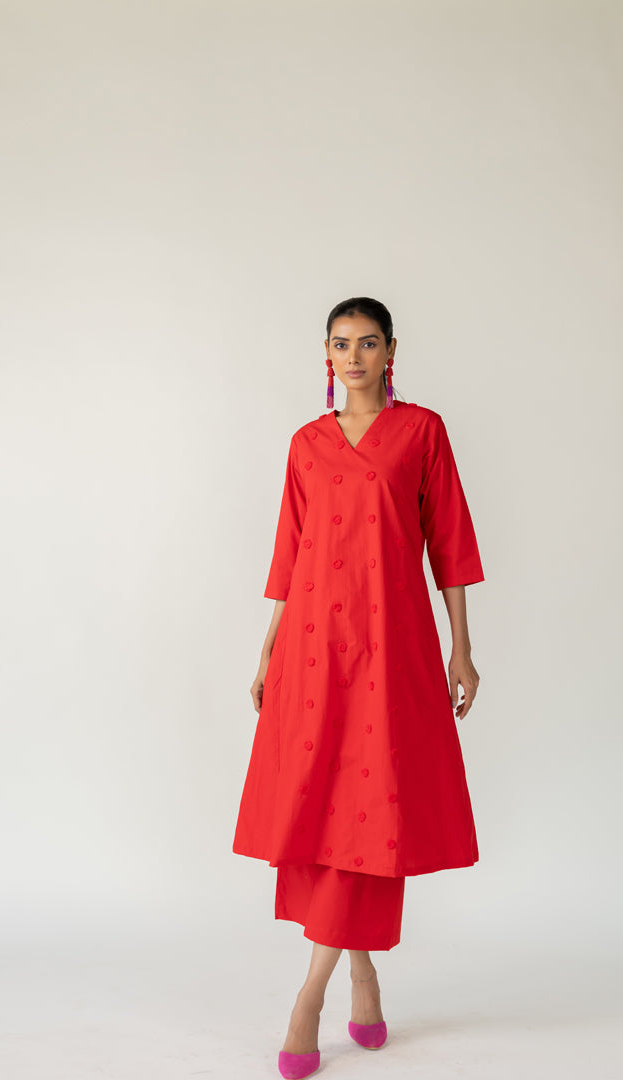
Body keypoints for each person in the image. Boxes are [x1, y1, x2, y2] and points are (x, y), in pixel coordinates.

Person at [232, 296, 484, 1080]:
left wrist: (461, 647)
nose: (353, 357)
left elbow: (448, 542)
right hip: (312, 649)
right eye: (340, 344)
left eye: (367, 343)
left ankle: (309, 996)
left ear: (390, 351)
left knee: (369, 808)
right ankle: (363, 976)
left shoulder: (422, 433)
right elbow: (290, 553)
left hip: (389, 647)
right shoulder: (306, 445)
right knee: (323, 811)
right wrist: (268, 648)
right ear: (327, 355)